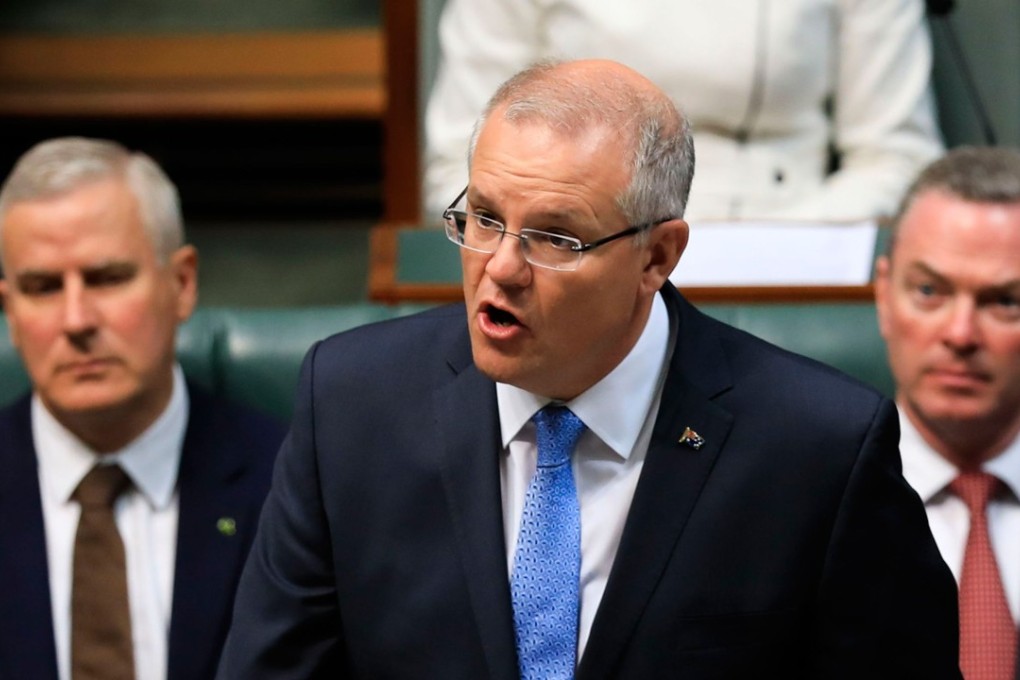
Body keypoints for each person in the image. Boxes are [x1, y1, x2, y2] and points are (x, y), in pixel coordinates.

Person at [219, 60, 959, 678]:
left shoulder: (817, 447)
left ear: (658, 256)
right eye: (482, 218)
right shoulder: (351, 404)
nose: (500, 269)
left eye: (554, 238)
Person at [0, 137, 285, 680]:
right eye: (42, 288)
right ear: (9, 312)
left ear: (180, 284)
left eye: (108, 278)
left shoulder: (291, 483)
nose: (77, 319)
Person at [424, 0, 943, 224]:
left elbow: (898, 158)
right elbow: (457, 164)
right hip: (575, 248)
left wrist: (781, 249)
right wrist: (562, 244)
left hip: (786, 242)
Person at [875, 146, 1020, 680]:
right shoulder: (799, 500)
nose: (960, 334)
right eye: (930, 291)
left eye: (1005, 301)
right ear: (883, 294)